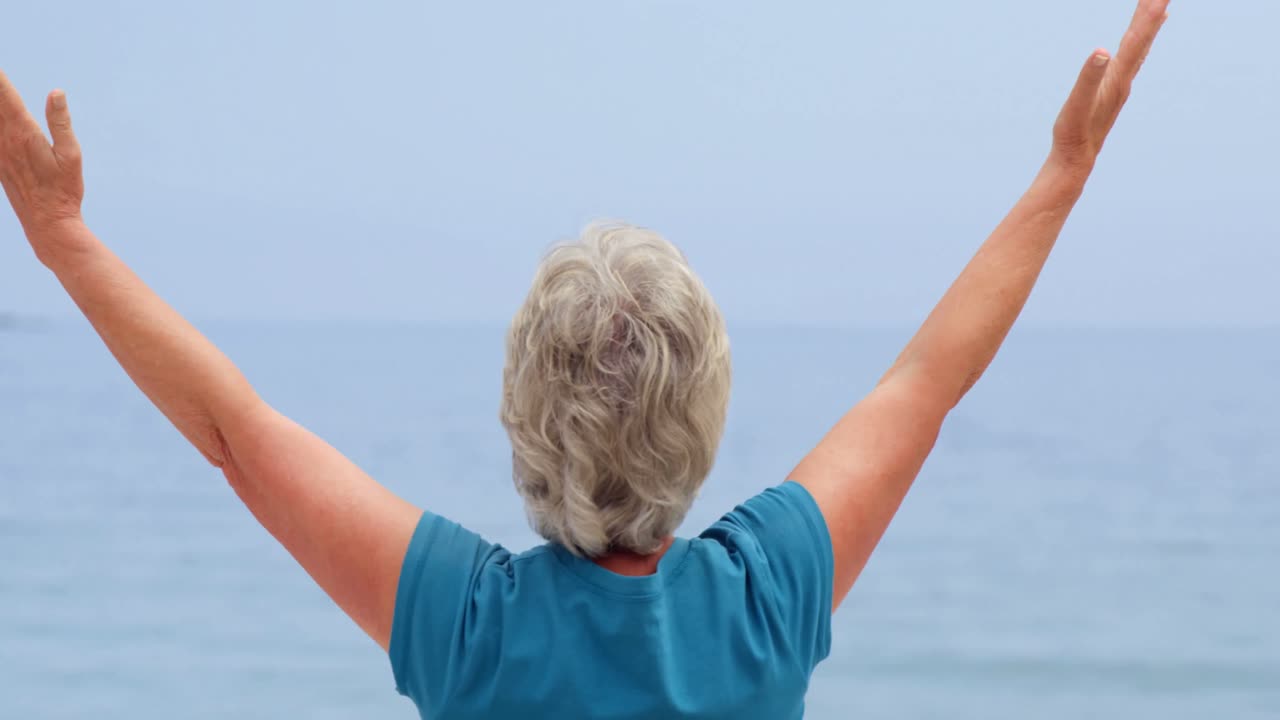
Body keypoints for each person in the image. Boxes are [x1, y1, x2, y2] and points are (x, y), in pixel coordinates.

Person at [0, 1, 1170, 717]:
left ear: (521, 417)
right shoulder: (762, 602)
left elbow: (234, 433)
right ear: (704, 414)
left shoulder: (470, 629)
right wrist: (1060, 177)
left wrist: (64, 244)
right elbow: (925, 381)